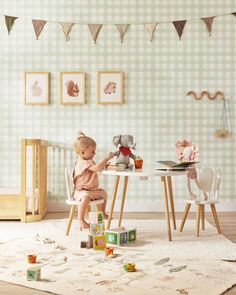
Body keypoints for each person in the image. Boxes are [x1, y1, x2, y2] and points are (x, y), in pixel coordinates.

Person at [72, 132, 114, 229]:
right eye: (92, 151)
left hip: (91, 190)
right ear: (82, 152)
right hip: (81, 191)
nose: (94, 153)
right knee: (85, 198)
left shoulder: (88, 161)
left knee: (103, 193)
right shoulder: (82, 162)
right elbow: (96, 168)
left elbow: (97, 167)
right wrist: (106, 159)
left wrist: (105, 165)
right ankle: (81, 219)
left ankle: (102, 212)